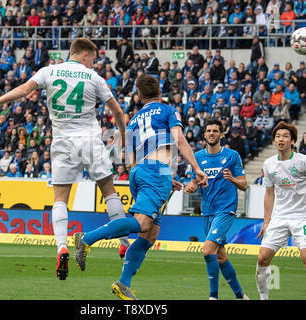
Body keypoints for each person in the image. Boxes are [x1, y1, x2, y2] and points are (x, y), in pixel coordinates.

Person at [0, 38, 130, 281]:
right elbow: (117, 111)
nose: (93, 64)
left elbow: (25, 90)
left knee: (60, 198)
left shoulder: (48, 71)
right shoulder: (93, 78)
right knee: (109, 192)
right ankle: (123, 242)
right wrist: (123, 136)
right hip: (90, 140)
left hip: (62, 142)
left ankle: (61, 247)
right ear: (83, 56)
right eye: (92, 59)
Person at [73, 74, 208, 300]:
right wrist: (195, 168)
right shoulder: (167, 111)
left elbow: (131, 158)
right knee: (142, 223)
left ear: (139, 95)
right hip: (156, 171)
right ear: (159, 92)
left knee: (149, 234)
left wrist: (164, 177)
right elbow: (180, 140)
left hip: (141, 171)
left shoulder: (134, 119)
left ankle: (124, 283)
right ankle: (86, 239)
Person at [255, 121, 306, 300]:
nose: (280, 139)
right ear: (274, 141)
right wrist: (266, 222)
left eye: (285, 136)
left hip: (302, 217)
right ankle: (263, 298)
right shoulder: (268, 164)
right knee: (262, 259)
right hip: (279, 217)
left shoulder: (305, 161)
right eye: (277, 136)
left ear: (292, 141)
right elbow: (269, 193)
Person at [184, 118, 249, 300]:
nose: (212, 133)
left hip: (225, 209)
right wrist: (191, 187)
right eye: (209, 131)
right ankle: (241, 296)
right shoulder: (197, 157)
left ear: (221, 134)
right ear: (204, 134)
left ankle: (213, 296)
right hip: (207, 211)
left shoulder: (232, 156)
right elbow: (195, 183)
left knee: (207, 251)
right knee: (220, 257)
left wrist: (233, 179)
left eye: (215, 131)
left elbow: (244, 185)